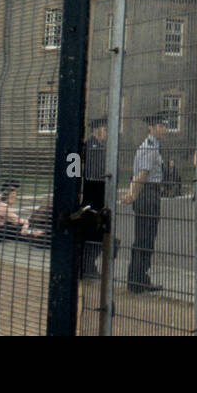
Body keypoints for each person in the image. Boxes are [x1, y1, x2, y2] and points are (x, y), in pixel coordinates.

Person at [121, 114, 167, 294]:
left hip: (148, 193)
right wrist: (133, 193)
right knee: (145, 238)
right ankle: (138, 279)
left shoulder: (153, 146)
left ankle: (138, 278)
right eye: (160, 126)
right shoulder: (149, 148)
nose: (164, 129)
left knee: (145, 237)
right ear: (151, 128)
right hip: (148, 194)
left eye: (164, 126)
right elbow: (142, 175)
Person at [82, 117, 108, 276]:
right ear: (96, 130)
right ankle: (88, 266)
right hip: (91, 194)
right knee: (94, 232)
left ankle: (88, 265)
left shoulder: (96, 146)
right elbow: (76, 172)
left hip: (94, 193)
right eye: (104, 130)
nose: (106, 133)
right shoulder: (90, 147)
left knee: (95, 231)